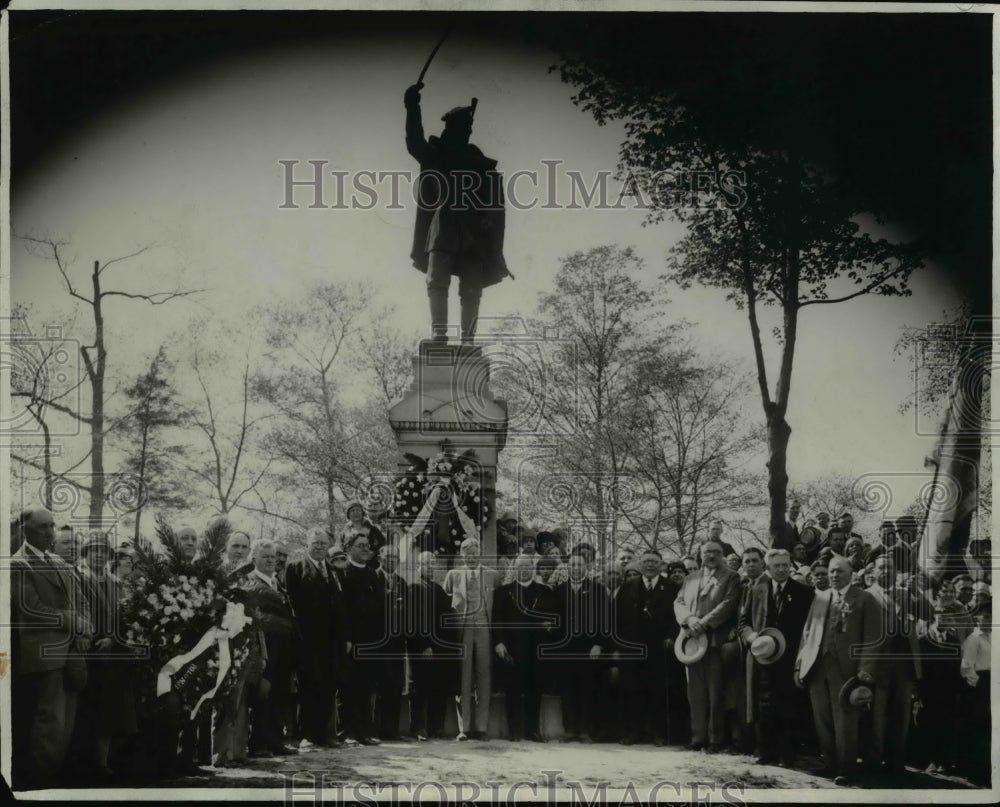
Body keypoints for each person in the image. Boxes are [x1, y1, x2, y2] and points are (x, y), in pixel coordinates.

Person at [404, 81, 511, 342]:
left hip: (474, 233)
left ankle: (468, 341)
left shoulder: (481, 164)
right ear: (450, 128)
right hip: (443, 227)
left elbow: (495, 202)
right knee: (437, 281)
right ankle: (440, 336)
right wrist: (412, 106)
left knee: (472, 289)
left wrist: (489, 219)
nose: (465, 131)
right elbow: (415, 142)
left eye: (468, 127)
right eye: (461, 126)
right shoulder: (438, 155)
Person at [10, 508, 93, 789]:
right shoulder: (18, 564)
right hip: (43, 656)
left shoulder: (58, 561)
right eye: (43, 527)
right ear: (26, 530)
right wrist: (73, 622)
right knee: (50, 724)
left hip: (71, 651)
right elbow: (30, 608)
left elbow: (81, 601)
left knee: (67, 724)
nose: (50, 532)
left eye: (52, 526)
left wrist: (84, 631)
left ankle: (55, 777)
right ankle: (41, 784)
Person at [794, 555, 882, 785]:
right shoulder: (820, 598)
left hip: (847, 670)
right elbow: (807, 633)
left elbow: (873, 639)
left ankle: (846, 767)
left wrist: (865, 671)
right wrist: (799, 664)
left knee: (845, 719)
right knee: (821, 716)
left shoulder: (865, 599)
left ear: (851, 574)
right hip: (817, 666)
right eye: (831, 571)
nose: (834, 575)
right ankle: (830, 763)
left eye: (839, 571)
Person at [67, 533, 138, 783]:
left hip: (110, 653)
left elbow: (120, 615)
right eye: (93, 550)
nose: (98, 555)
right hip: (86, 650)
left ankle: (102, 763)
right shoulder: (77, 576)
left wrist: (111, 637)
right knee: (85, 710)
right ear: (85, 553)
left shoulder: (112, 581)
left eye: (103, 551)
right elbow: (76, 609)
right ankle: (79, 764)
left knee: (107, 710)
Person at [738, 549, 814, 766]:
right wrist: (752, 637)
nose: (782, 569)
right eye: (777, 566)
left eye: (785, 565)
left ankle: (787, 755)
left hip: (790, 659)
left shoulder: (804, 592)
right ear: (767, 568)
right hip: (762, 657)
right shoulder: (756, 590)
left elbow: (809, 629)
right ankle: (765, 752)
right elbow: (743, 623)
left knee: (788, 705)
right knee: (763, 705)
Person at [283, 529, 351, 751]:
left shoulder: (333, 571)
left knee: (329, 686)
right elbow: (291, 604)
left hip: (331, 642)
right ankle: (307, 736)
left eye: (324, 543)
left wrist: (345, 637)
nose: (320, 547)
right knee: (309, 686)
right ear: (307, 544)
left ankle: (325, 735)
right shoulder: (295, 568)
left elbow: (341, 608)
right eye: (316, 543)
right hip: (307, 639)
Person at [673, 540, 741, 751]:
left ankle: (715, 739)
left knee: (715, 693)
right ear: (700, 554)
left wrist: (704, 623)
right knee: (695, 692)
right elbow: (679, 602)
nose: (711, 555)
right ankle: (697, 737)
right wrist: (690, 620)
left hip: (715, 642)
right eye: (707, 552)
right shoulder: (691, 578)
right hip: (691, 641)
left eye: (716, 552)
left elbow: (728, 604)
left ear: (722, 554)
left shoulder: (731, 576)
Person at [616, 548, 682, 746]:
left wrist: (671, 636)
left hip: (659, 648)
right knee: (632, 689)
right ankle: (633, 732)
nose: (650, 565)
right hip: (633, 647)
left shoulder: (670, 587)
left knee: (658, 691)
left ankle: (657, 734)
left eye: (654, 562)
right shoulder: (628, 586)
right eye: (646, 562)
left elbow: (677, 616)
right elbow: (617, 617)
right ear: (640, 563)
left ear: (661, 564)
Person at [443, 537, 502, 740]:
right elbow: (445, 603)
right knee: (463, 678)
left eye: (475, 555)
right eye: (467, 555)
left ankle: (481, 727)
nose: (471, 558)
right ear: (462, 555)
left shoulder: (493, 576)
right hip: (463, 630)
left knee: (484, 677)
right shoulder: (453, 575)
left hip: (485, 628)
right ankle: (464, 728)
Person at [493, 555, 557, 742]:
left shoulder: (545, 591)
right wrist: (499, 643)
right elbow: (497, 620)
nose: (524, 570)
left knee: (534, 690)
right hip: (512, 648)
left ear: (532, 568)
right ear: (515, 569)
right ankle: (514, 731)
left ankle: (532, 730)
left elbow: (554, 616)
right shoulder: (503, 592)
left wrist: (550, 625)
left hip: (536, 648)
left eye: (528, 566)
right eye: (520, 566)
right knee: (513, 689)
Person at [552, 550, 611, 743]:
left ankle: (585, 730)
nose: (576, 568)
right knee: (567, 689)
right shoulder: (559, 590)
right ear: (567, 567)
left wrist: (599, 644)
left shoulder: (598, 589)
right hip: (565, 648)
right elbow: (554, 621)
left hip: (589, 648)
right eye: (573, 565)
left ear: (587, 567)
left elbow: (606, 620)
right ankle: (569, 729)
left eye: (580, 565)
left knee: (587, 689)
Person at [406, 551, 457, 741]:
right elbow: (413, 620)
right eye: (426, 564)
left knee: (439, 687)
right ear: (418, 566)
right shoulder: (413, 587)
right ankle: (418, 727)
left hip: (440, 648)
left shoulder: (438, 589)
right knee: (420, 688)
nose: (430, 567)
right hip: (422, 648)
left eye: (433, 564)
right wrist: (424, 644)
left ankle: (437, 727)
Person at [340, 531, 385, 745]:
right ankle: (348, 731)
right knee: (349, 686)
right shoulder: (342, 573)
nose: (366, 549)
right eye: (360, 545)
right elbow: (341, 610)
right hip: (351, 641)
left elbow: (380, 609)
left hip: (372, 641)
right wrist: (347, 638)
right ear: (349, 548)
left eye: (368, 545)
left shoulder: (373, 574)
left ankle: (365, 731)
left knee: (367, 686)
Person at [375, 545, 409, 740]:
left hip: (397, 642)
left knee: (395, 686)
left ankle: (391, 731)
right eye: (388, 557)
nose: (391, 560)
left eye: (395, 557)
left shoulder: (401, 582)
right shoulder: (373, 577)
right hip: (378, 641)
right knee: (378, 686)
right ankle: (374, 730)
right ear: (380, 558)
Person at [958, 597, 991, 785]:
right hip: (979, 686)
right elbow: (966, 666)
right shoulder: (974, 639)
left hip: (993, 683)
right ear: (977, 618)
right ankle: (973, 770)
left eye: (991, 616)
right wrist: (977, 685)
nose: (987, 620)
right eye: (984, 616)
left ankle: (987, 767)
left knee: (989, 726)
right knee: (977, 725)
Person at [343, 502, 385, 571]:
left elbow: (383, 544)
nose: (355, 512)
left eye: (357, 510)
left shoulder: (373, 529)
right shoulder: (345, 532)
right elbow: (343, 547)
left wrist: (374, 552)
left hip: (371, 565)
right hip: (352, 566)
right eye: (352, 511)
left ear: (362, 513)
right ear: (348, 514)